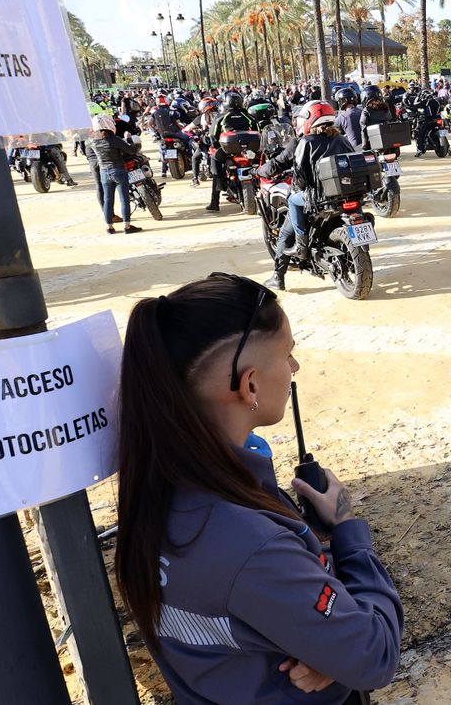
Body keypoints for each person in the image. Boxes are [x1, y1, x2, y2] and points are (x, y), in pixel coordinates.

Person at [114, 273, 403, 703]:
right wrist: (347, 531)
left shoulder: (157, 482)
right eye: (287, 355)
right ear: (248, 384)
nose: (294, 368)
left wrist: (324, 646)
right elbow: (373, 654)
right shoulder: (250, 545)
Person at [258, 102, 356, 290]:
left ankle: (282, 271)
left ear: (310, 119)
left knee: (287, 225)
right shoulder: (341, 139)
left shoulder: (305, 142)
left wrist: (261, 171)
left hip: (316, 198)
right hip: (344, 194)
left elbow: (299, 174)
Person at [86, 115, 142, 235]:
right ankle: (127, 226)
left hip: (104, 172)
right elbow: (132, 150)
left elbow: (87, 144)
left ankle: (109, 227)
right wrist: (129, 138)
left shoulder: (92, 141)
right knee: (124, 199)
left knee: (107, 200)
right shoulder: (115, 140)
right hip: (118, 170)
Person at [208, 92, 255, 213]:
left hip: (227, 151)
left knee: (216, 168)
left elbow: (213, 136)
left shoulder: (221, 117)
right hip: (248, 151)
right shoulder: (248, 116)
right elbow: (257, 131)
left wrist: (216, 145)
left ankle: (215, 202)